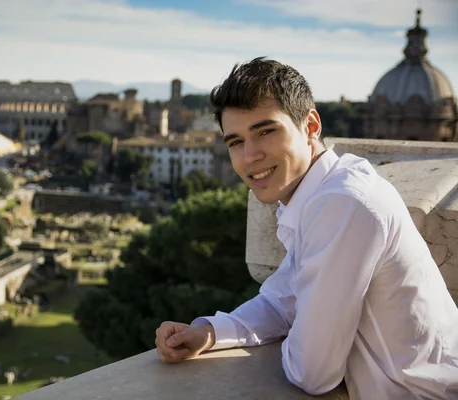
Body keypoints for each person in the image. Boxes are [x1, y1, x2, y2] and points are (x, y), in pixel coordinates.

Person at [154, 57, 458, 399]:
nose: (250, 155)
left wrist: (302, 335)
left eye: (266, 131)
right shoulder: (324, 192)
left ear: (311, 126)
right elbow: (281, 301)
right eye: (235, 141)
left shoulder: (343, 203)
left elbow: (313, 372)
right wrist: (208, 331)